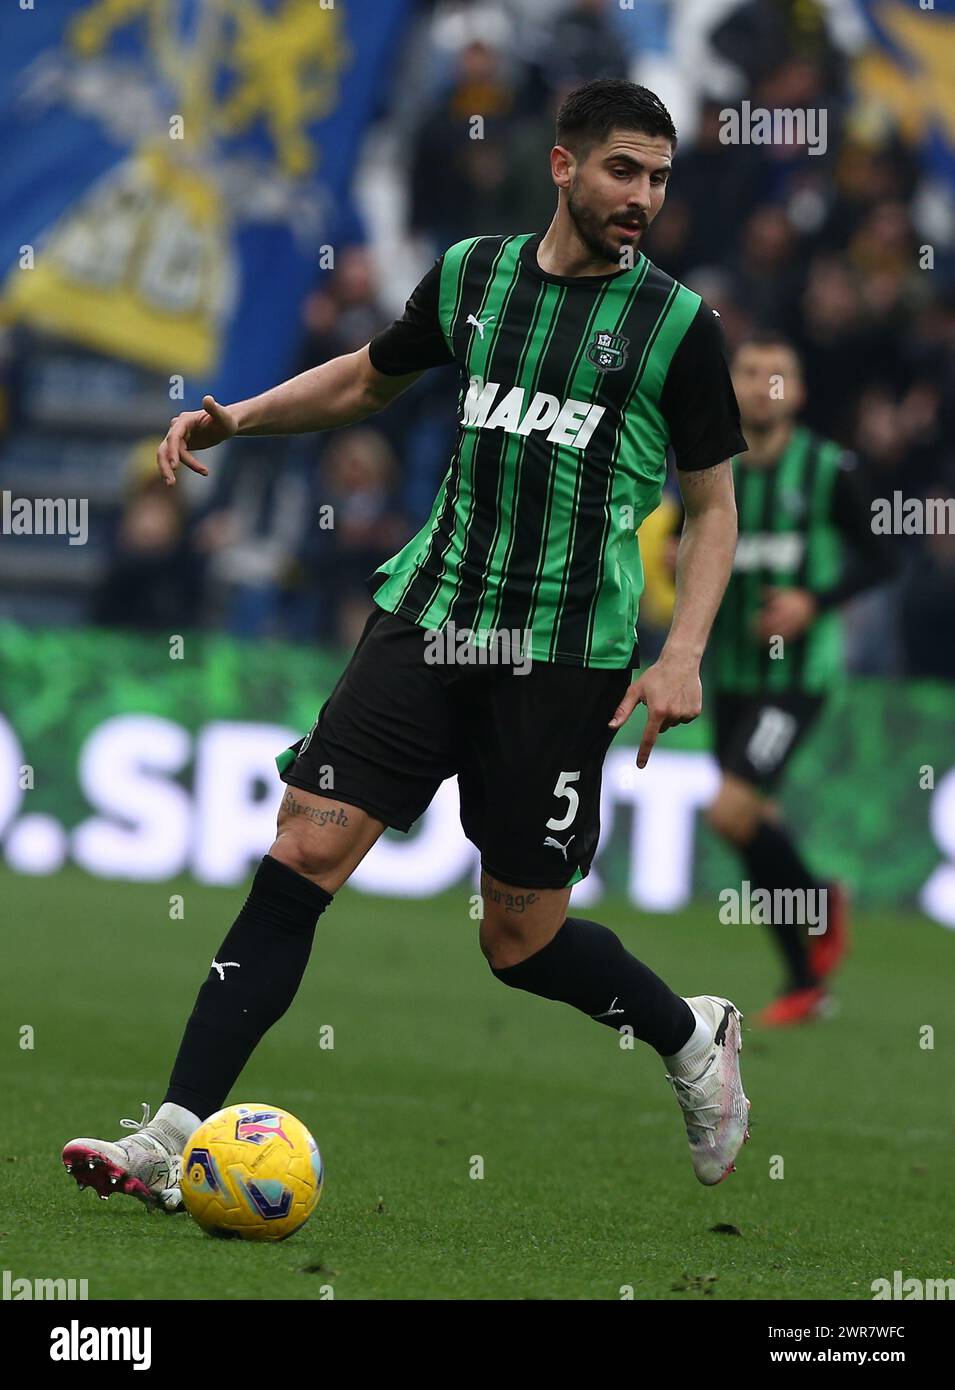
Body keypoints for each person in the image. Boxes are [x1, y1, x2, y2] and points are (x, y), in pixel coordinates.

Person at [63, 79, 750, 1209]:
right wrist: (237, 417)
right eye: (624, 170)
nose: (644, 197)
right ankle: (172, 1137)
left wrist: (681, 653)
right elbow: (368, 380)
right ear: (564, 166)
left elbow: (715, 507)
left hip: (563, 651)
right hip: (429, 613)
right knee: (302, 852)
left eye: (660, 177)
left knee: (519, 939)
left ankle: (690, 1034)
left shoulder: (677, 327)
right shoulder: (473, 275)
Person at [701, 332, 897, 1025]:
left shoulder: (826, 469)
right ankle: (804, 982)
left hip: (796, 677)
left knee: (729, 809)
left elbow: (880, 558)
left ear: (798, 392)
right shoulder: (708, 464)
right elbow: (676, 542)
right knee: (751, 820)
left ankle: (815, 907)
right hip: (727, 671)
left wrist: (809, 603)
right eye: (749, 373)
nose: (762, 386)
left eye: (776, 376)